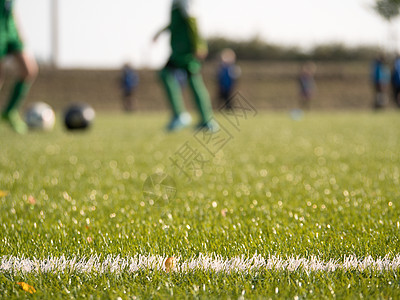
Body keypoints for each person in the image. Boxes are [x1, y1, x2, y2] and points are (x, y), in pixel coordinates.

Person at [153, 0, 218, 132]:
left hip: (186, 51)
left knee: (193, 81)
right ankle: (196, 118)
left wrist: (199, 45)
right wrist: (160, 32)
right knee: (173, 76)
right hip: (178, 50)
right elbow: (176, 23)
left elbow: (192, 20)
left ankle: (204, 120)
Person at [0, 0, 38, 134]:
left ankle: (10, 112)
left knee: (28, 70)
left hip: (10, 28)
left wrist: (19, 31)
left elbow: (10, 8)